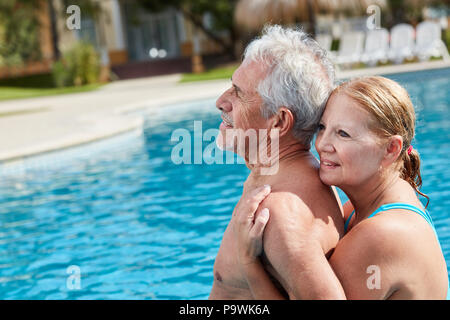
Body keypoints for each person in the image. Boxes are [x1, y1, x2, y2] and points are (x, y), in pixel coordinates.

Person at [233, 76, 449, 299]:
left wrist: (249, 262)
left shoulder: (380, 234)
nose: (322, 144)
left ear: (391, 149)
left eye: (343, 134)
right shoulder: (364, 210)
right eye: (322, 127)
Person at [209, 25, 347, 299]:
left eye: (239, 92)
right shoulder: (279, 180)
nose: (221, 101)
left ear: (280, 121)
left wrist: (249, 265)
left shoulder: (278, 213)